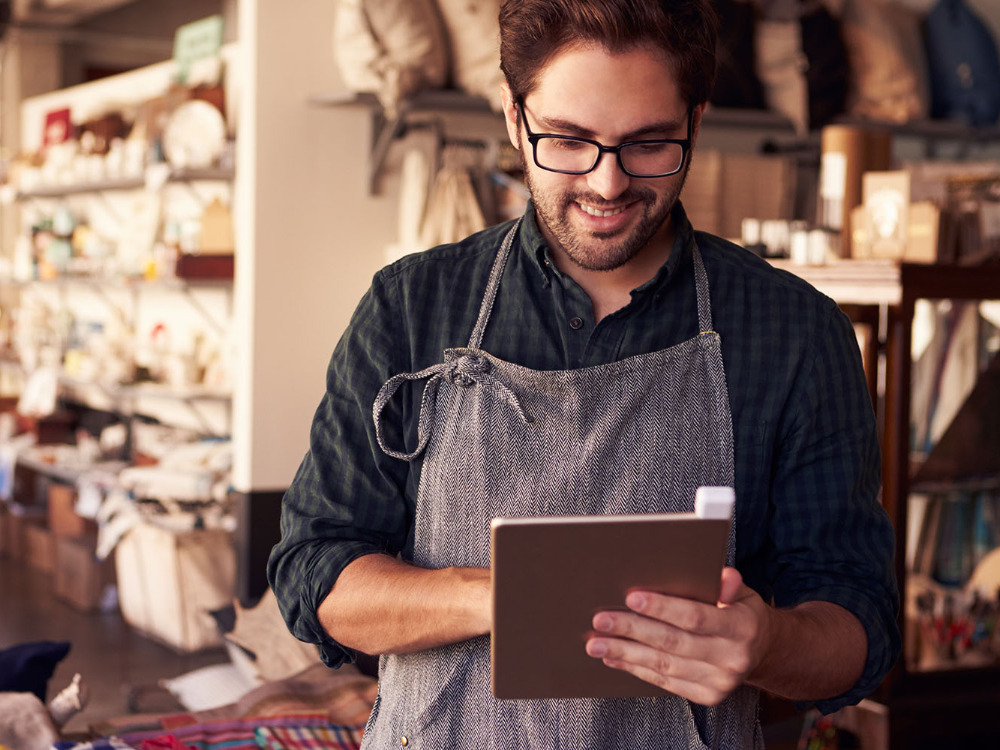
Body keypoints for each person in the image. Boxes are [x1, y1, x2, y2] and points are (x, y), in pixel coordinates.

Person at [268, 1, 901, 747]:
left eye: (648, 144)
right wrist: (501, 596)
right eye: (567, 141)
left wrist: (766, 644)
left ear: (695, 121)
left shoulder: (794, 332)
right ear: (513, 116)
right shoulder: (412, 307)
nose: (606, 184)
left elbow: (858, 622)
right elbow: (316, 572)